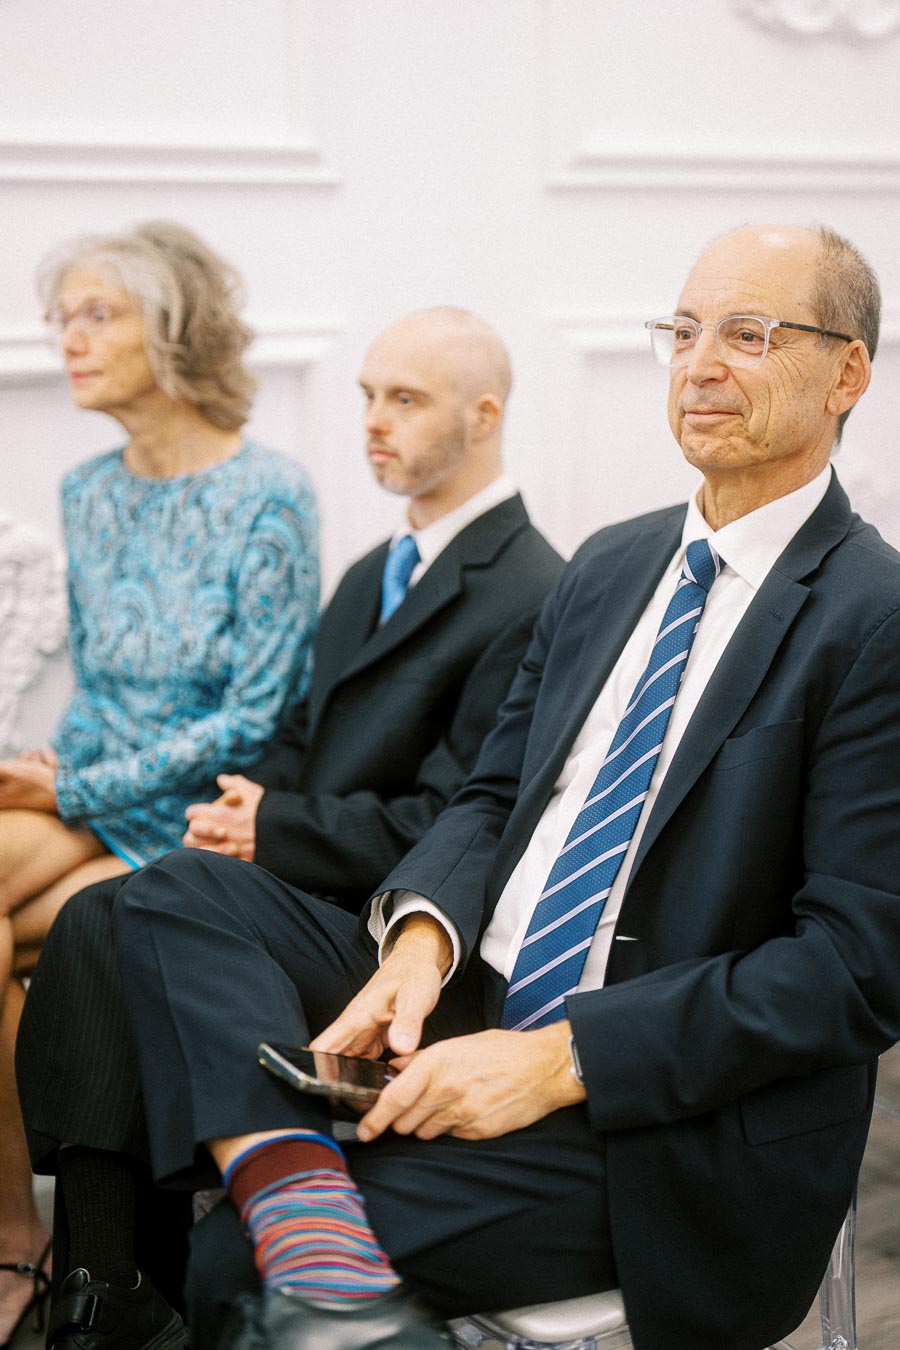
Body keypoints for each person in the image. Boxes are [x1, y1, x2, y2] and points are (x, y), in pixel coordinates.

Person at [15, 306, 563, 1349]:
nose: (372, 421)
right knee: (103, 917)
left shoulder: (535, 590)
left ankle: (127, 1280)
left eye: (404, 399)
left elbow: (462, 820)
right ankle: (108, 1278)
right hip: (302, 884)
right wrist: (240, 807)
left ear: (486, 415)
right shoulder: (373, 571)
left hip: (397, 941)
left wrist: (279, 829)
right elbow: (297, 737)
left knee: (110, 919)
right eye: (365, 395)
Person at [0, 221, 319, 1348]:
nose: (67, 341)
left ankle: (21, 1246)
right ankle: (30, 1237)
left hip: (189, 816)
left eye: (98, 315)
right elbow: (100, 677)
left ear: (172, 330)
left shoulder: (270, 494)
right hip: (90, 789)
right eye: (62, 318)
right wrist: (56, 768)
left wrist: (71, 788)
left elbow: (255, 713)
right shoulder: (87, 489)